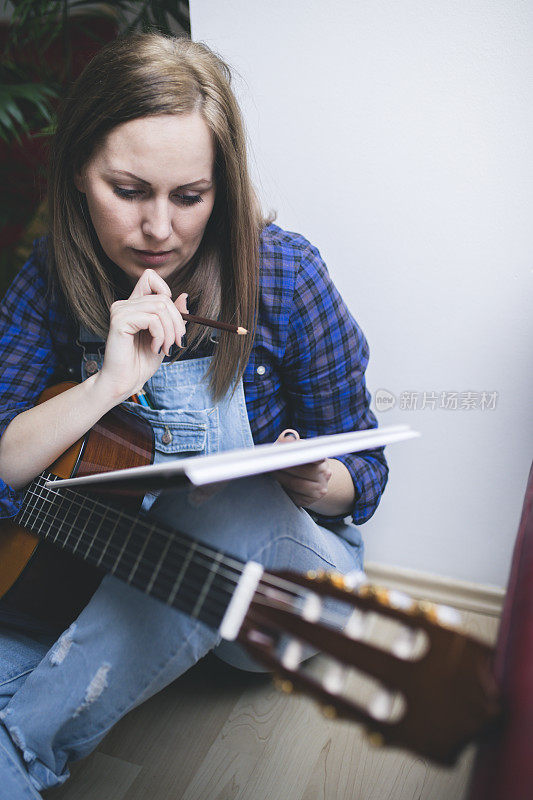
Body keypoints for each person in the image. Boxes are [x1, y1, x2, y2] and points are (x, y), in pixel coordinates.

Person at [0, 33, 388, 798]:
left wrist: (316, 479)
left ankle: (23, 746)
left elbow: (368, 471)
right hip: (114, 585)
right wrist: (108, 385)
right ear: (80, 171)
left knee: (234, 503)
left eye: (189, 196)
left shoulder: (285, 272)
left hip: (276, 596)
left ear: (223, 186)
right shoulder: (50, 276)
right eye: (128, 190)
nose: (158, 230)